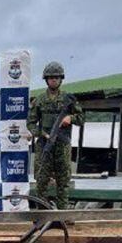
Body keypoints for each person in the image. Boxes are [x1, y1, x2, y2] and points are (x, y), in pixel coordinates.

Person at [26, 61, 83, 209]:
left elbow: (81, 118)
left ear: (61, 79)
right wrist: (42, 134)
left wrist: (70, 118)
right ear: (46, 80)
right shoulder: (39, 100)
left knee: (63, 182)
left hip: (62, 145)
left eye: (56, 78)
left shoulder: (68, 99)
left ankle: (61, 215)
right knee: (41, 181)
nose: (54, 80)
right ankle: (42, 215)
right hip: (44, 145)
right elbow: (30, 123)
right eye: (51, 78)